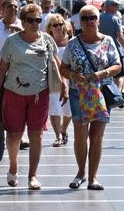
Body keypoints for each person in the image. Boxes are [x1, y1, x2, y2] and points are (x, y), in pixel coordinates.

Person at [0, 3, 60, 190]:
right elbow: (2, 68)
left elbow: (55, 63)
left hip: (40, 94)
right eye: (30, 20)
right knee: (14, 135)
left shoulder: (46, 40)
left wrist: (65, 87)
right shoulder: (12, 41)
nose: (35, 24)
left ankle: (33, 175)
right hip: (14, 92)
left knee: (36, 134)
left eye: (38, 20)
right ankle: (13, 166)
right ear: (22, 21)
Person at [59, 5, 121, 190]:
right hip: (79, 93)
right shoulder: (73, 43)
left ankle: (93, 177)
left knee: (97, 136)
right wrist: (72, 76)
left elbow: (117, 65)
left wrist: (103, 73)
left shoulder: (108, 41)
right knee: (80, 135)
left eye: (92, 18)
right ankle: (81, 172)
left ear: (98, 20)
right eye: (84, 19)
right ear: (79, 22)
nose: (89, 22)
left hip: (101, 93)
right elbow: (63, 67)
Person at [46, 14, 72, 147]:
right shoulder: (47, 42)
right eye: (54, 25)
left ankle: (63, 129)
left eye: (60, 24)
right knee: (55, 108)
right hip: (54, 79)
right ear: (50, 28)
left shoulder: (71, 41)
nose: (57, 27)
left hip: (71, 78)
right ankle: (58, 136)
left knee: (69, 111)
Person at [99, 0, 124, 93]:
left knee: (104, 74)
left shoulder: (98, 18)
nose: (117, 8)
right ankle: (118, 93)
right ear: (109, 6)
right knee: (119, 75)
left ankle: (106, 93)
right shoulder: (115, 19)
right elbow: (120, 35)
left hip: (101, 50)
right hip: (114, 50)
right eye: (115, 5)